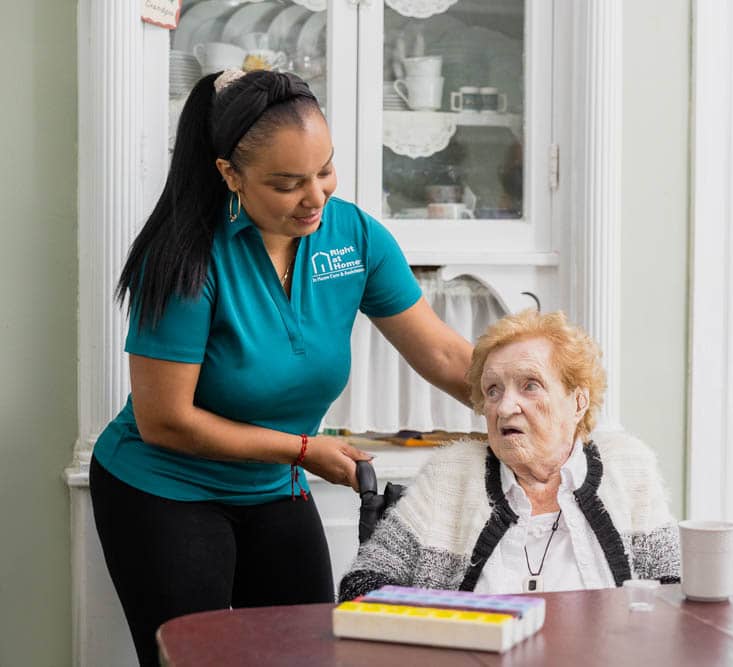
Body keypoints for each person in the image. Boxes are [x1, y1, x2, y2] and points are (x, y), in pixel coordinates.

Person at [89, 69, 472, 666]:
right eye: (288, 183)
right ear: (230, 175)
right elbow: (165, 421)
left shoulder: (354, 238)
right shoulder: (188, 255)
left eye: (325, 170)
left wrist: (532, 402)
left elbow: (446, 356)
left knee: (308, 656)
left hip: (273, 484)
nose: (316, 196)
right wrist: (302, 450)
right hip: (164, 486)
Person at [339, 310, 680, 600]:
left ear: (578, 401)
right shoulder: (450, 476)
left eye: (530, 385)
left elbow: (673, 591)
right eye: (493, 390)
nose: (504, 407)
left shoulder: (628, 468)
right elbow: (362, 586)